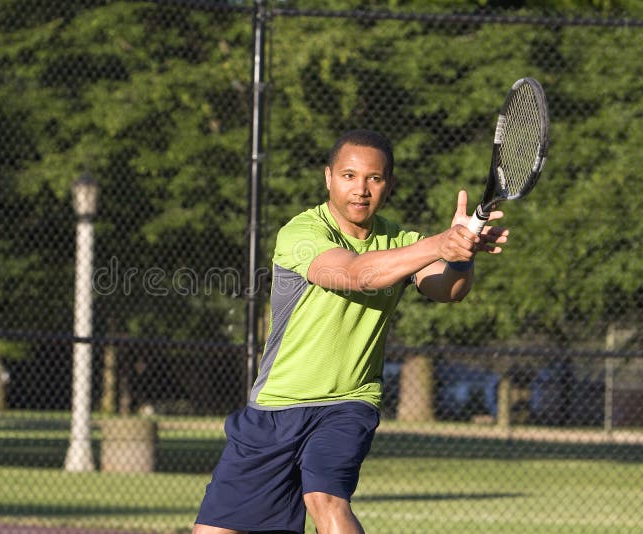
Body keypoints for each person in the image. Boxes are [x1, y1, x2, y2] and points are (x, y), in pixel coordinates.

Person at [193, 129, 508, 534]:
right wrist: (440, 244)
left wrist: (462, 256)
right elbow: (356, 274)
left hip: (348, 402)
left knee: (325, 501)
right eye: (348, 176)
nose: (360, 189)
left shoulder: (400, 240)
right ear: (328, 178)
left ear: (389, 185)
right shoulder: (300, 233)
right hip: (275, 405)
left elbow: (447, 289)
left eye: (374, 179)